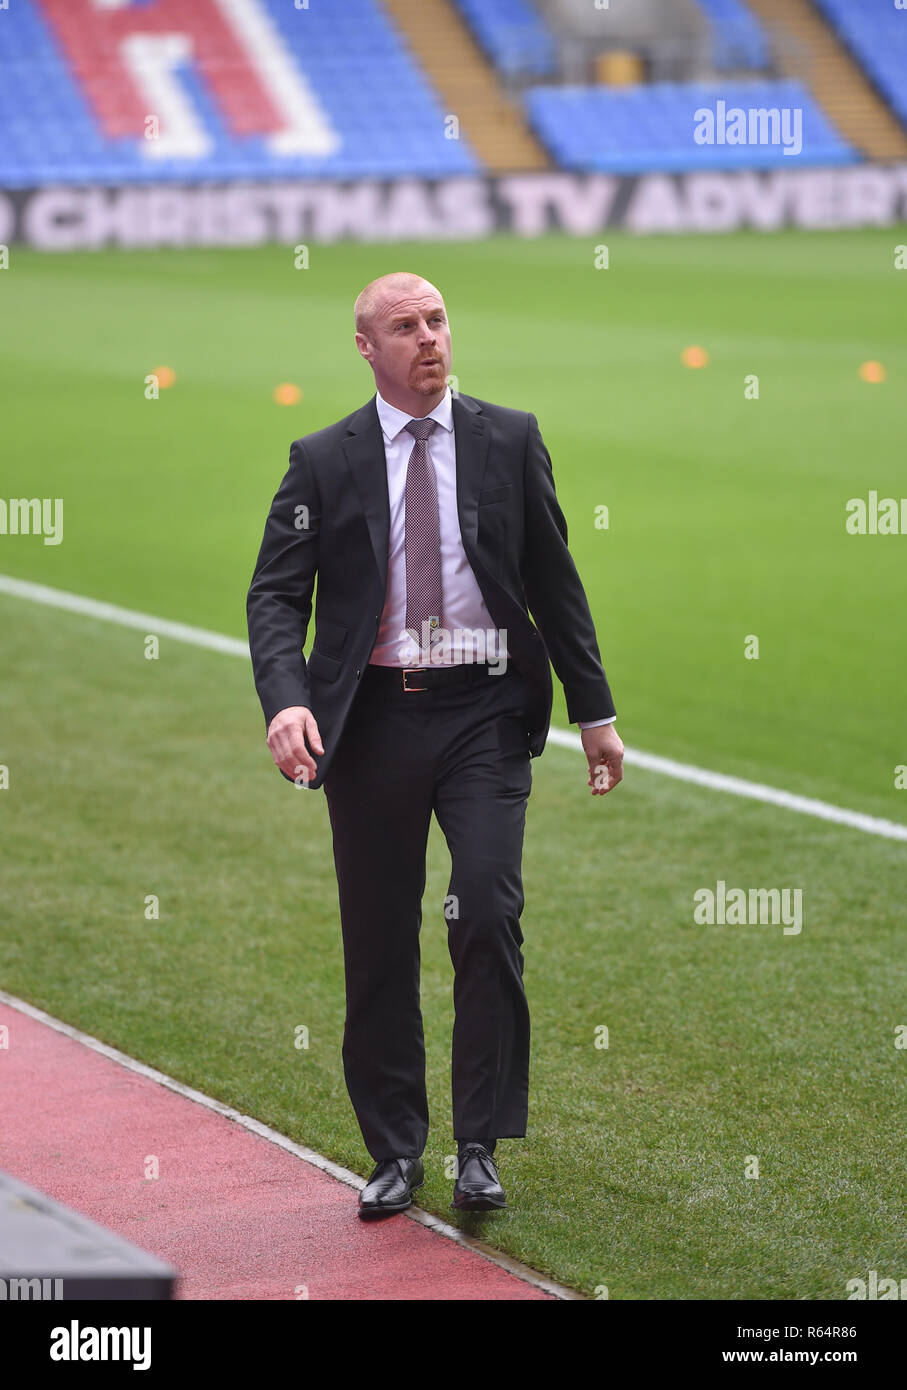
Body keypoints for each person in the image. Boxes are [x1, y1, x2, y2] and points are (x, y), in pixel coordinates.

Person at [246, 272, 623, 1218]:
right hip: (368, 724)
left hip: (483, 716)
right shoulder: (322, 460)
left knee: (485, 912)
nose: (428, 339)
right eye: (405, 327)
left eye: (438, 321)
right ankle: (394, 1151)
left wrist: (594, 711)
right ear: (366, 347)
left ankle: (479, 1145)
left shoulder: (509, 438)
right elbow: (276, 596)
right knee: (377, 941)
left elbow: (554, 579)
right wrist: (286, 700)